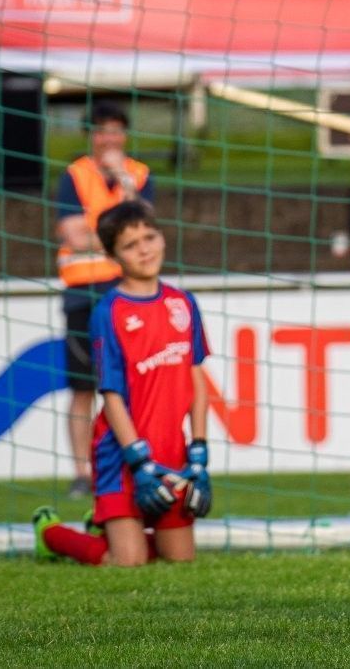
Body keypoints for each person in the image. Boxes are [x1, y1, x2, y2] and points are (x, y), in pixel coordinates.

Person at [33, 199, 213, 565]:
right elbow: (111, 395)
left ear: (162, 238)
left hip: (172, 450)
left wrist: (199, 449)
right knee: (127, 562)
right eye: (131, 245)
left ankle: (111, 525)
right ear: (114, 255)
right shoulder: (108, 312)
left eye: (150, 237)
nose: (144, 249)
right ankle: (51, 534)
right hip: (122, 453)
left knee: (181, 559)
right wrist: (137, 458)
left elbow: (197, 379)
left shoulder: (183, 303)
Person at [54, 101, 153, 498]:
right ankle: (82, 471)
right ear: (90, 136)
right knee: (83, 388)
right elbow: (74, 235)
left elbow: (147, 228)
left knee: (130, 386)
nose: (109, 138)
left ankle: (131, 461)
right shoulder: (74, 175)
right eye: (101, 130)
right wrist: (122, 236)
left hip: (128, 294)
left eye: (115, 130)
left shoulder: (140, 175)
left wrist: (122, 184)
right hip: (82, 293)